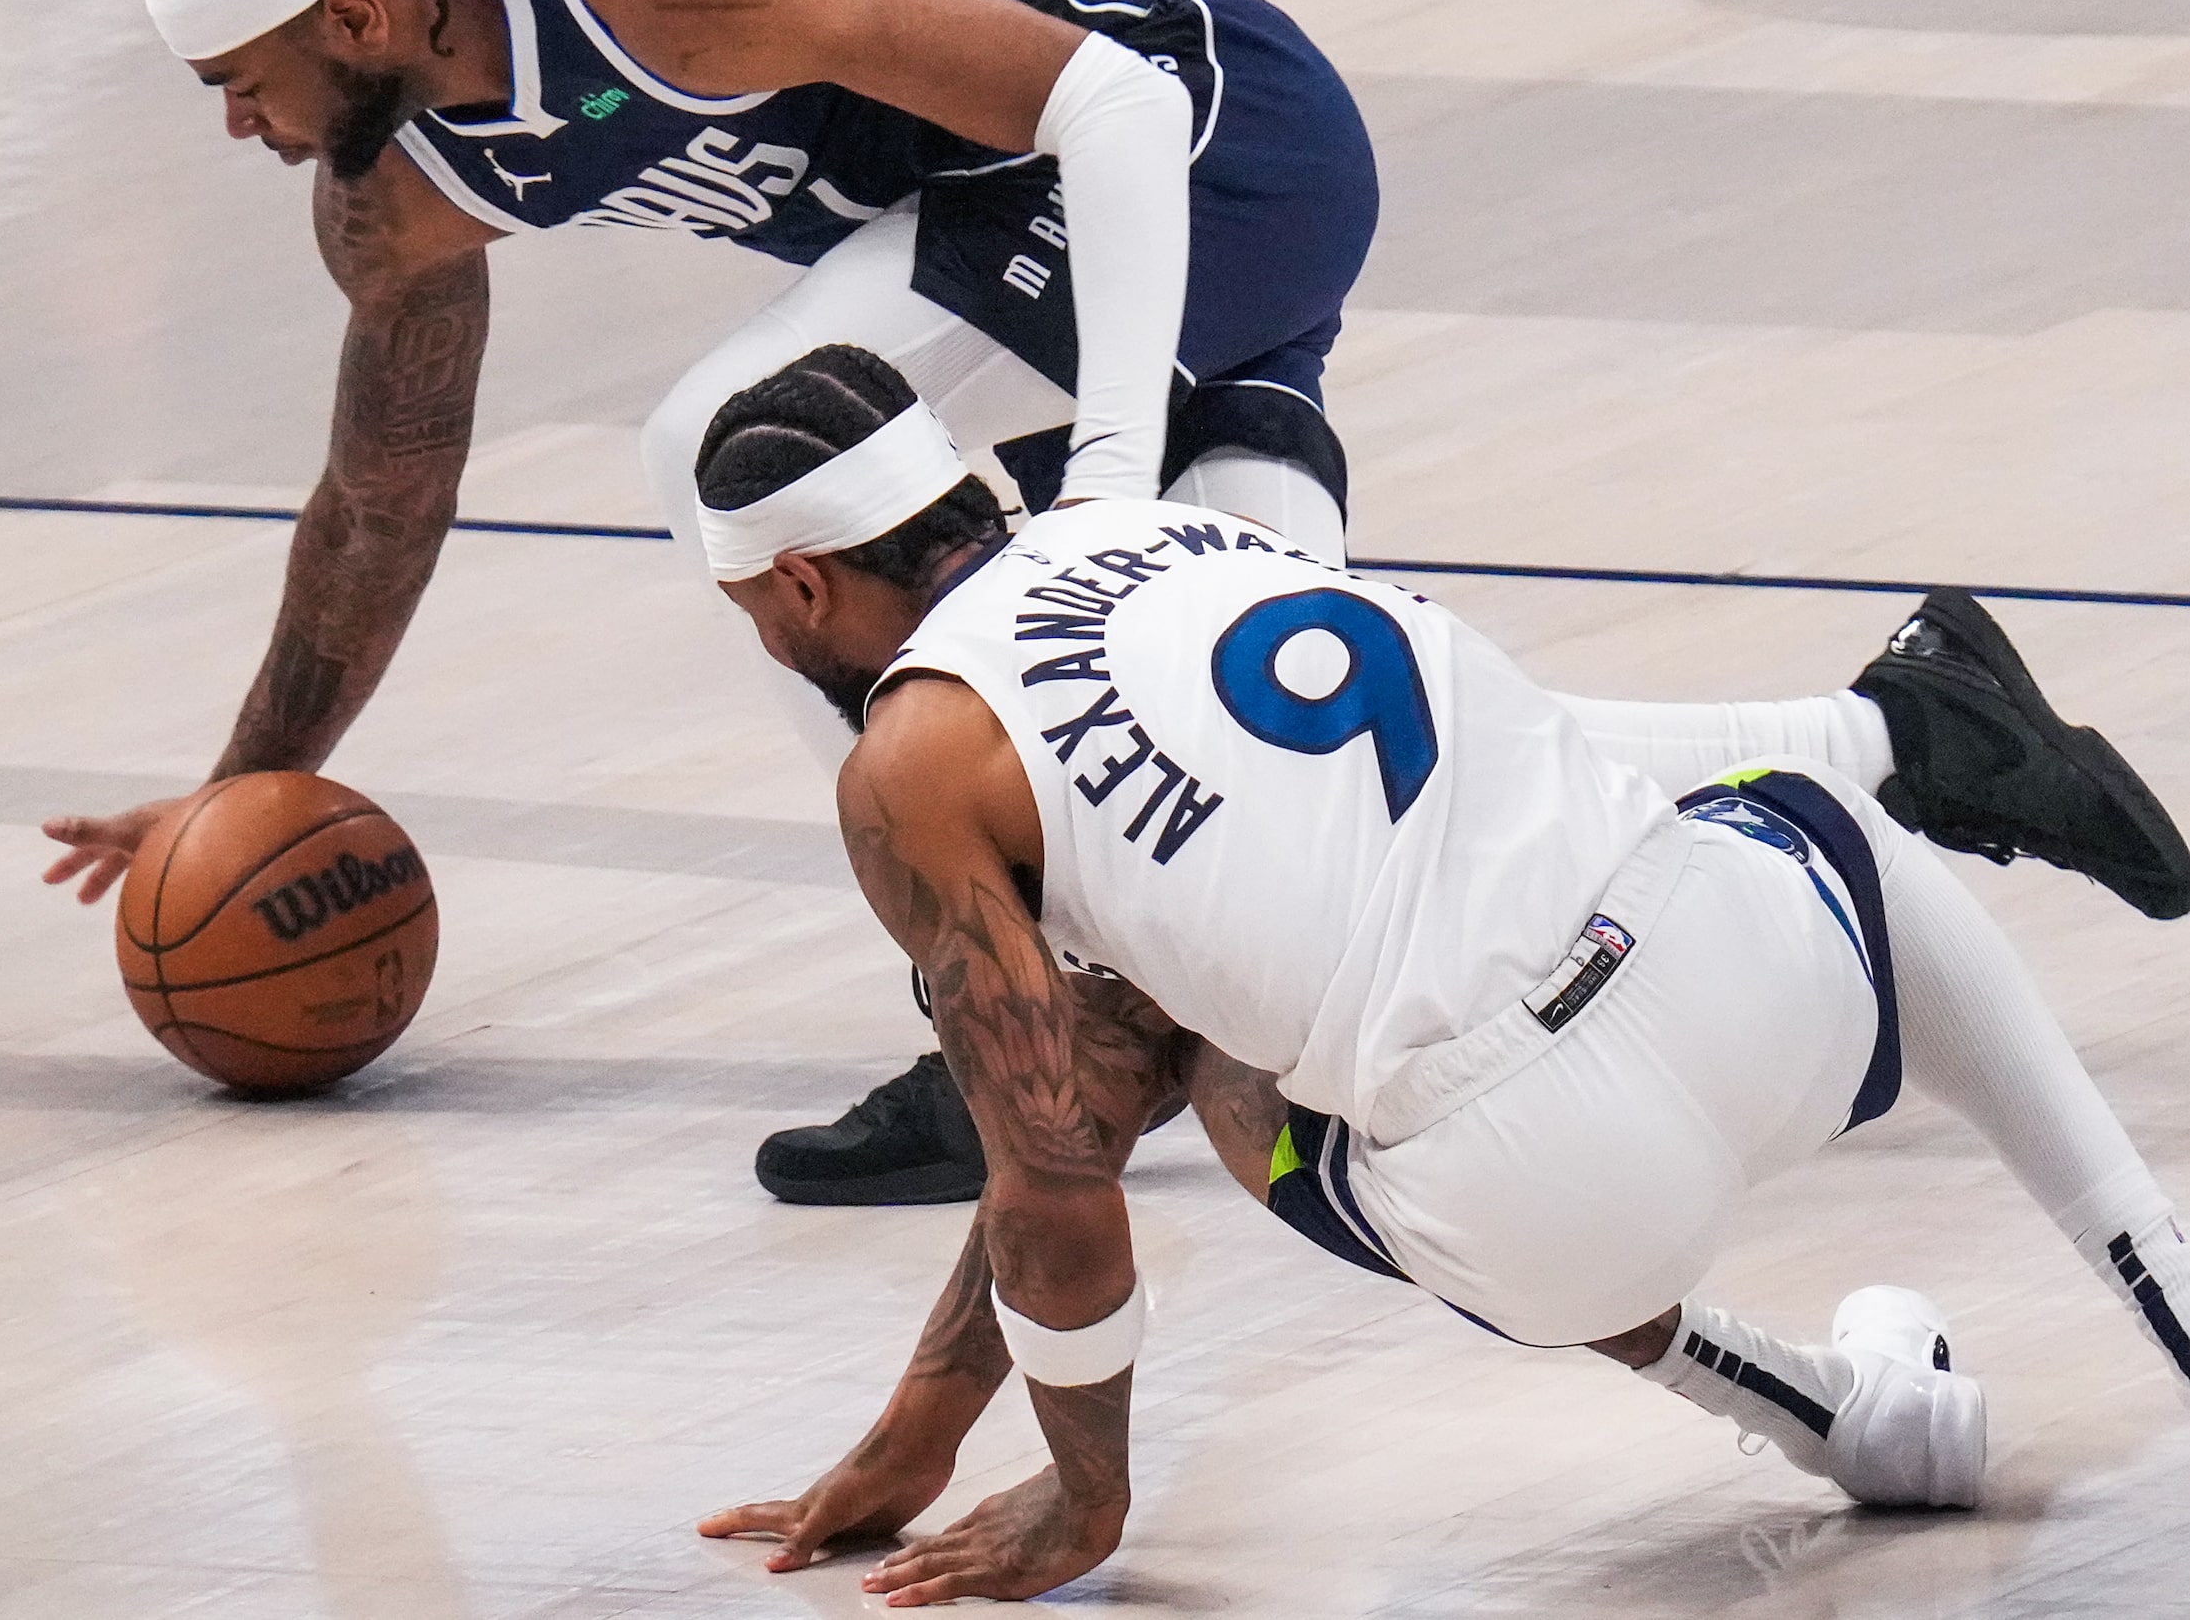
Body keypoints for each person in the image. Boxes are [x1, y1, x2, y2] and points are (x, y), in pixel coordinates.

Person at [39, 0, 2188, 1204]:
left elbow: (1113, 102)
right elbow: (380, 482)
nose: (233, 126)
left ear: (355, 5)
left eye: (240, 78)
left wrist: (1091, 501)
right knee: (1312, 764)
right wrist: (248, 787)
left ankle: (1000, 1024)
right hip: (1015, 237)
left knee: (735, 446)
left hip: (1204, 154)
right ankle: (1905, 737)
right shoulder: (390, 181)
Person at [686, 347, 2190, 1605]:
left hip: (1553, 1198)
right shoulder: (1172, 536)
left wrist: (1077, 1496)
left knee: (1231, 1076)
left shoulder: (912, 764)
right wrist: (923, 1424)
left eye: (748, 613)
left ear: (803, 583)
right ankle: (2156, 1271)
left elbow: (1054, 1168)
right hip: (1761, 986)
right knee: (1820, 817)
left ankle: (1838, 1413)